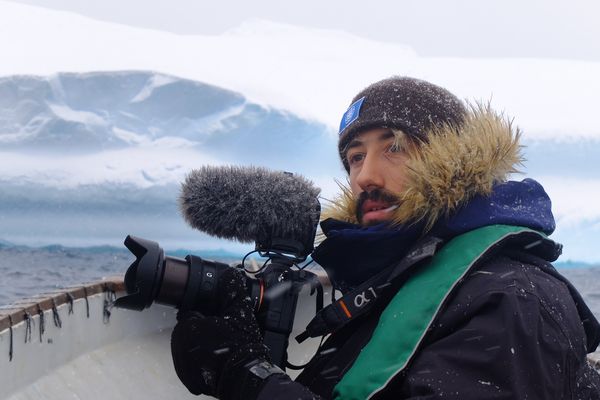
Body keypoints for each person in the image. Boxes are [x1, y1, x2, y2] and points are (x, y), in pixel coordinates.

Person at [170, 77, 600, 399]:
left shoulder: (513, 299)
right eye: (355, 157)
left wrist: (251, 379)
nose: (365, 176)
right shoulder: (393, 283)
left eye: (394, 147)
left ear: (455, 161)